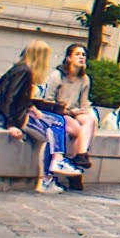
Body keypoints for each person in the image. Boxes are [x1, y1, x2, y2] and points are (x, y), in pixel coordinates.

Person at [0, 40, 79, 194]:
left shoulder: (20, 68)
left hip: (16, 112)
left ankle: (54, 167)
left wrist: (31, 106)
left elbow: (15, 94)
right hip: (12, 116)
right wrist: (11, 125)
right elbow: (10, 98)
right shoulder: (25, 71)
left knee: (56, 125)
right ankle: (49, 174)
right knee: (54, 129)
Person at [42, 43, 95, 191]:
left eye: (83, 55)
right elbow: (48, 101)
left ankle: (81, 155)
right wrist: (70, 112)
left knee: (90, 121)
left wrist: (84, 111)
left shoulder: (84, 79)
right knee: (79, 132)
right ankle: (77, 170)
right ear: (68, 58)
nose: (81, 57)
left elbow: (85, 103)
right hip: (58, 113)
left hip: (74, 112)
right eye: (77, 54)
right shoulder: (57, 76)